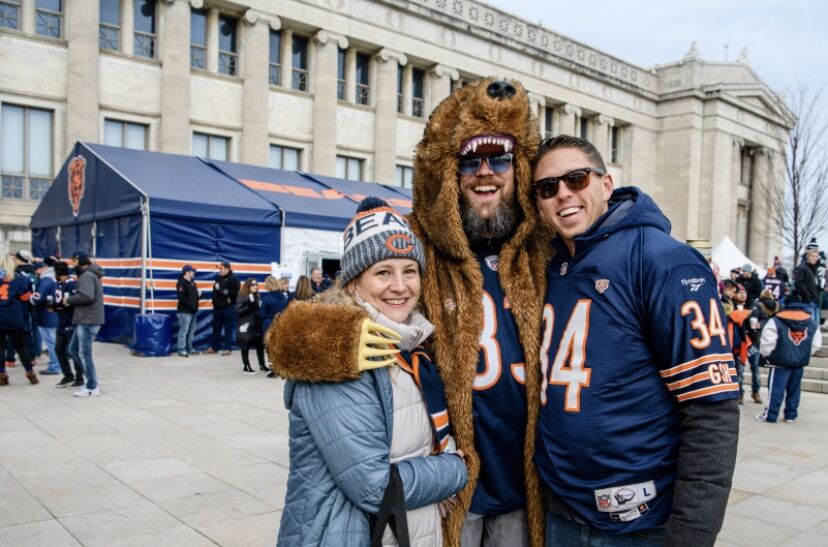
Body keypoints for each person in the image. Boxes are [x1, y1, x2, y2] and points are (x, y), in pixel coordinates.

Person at [268, 79, 551, 547]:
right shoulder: (418, 244)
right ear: (447, 170)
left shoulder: (539, 251)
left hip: (524, 489)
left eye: (499, 159)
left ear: (518, 168)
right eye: (469, 160)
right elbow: (309, 320)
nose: (485, 173)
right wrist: (333, 336)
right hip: (448, 491)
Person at [531, 135, 739, 546]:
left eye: (576, 179)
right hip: (563, 512)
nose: (563, 194)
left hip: (636, 525)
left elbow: (711, 410)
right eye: (547, 187)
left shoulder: (664, 260)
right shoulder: (551, 265)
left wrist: (693, 534)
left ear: (606, 184)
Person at [272, 197, 468, 546]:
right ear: (352, 284)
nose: (400, 285)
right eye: (382, 272)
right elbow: (373, 487)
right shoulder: (339, 354)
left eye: (409, 271)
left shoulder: (408, 341)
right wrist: (456, 468)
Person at [757, 294, 822, 423]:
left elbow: (767, 342)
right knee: (794, 390)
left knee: (776, 390)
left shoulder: (776, 320)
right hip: (799, 363)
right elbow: (816, 344)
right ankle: (790, 415)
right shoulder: (812, 323)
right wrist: (803, 354)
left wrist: (766, 354)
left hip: (779, 361)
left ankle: (771, 415)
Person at [65, 250, 105, 397]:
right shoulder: (90, 274)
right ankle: (93, 379)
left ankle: (92, 387)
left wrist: (68, 300)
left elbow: (87, 296)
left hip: (88, 320)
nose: (72, 263)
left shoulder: (86, 275)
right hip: (86, 319)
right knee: (73, 350)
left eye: (73, 261)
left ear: (79, 261)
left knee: (84, 353)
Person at [0, 254, 38, 386]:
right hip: (15, 317)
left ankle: (2, 374)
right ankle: (30, 373)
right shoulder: (19, 279)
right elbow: (25, 298)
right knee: (21, 347)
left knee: (0, 347)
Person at [53, 261, 83, 388]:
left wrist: (64, 303)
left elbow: (72, 301)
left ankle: (80, 377)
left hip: (70, 321)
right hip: (61, 321)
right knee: (59, 349)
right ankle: (67, 375)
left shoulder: (71, 283)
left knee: (73, 351)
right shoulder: (59, 283)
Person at [31, 260, 60, 375]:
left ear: (39, 269)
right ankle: (57, 365)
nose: (36, 274)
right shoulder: (55, 277)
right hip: (55, 313)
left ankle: (54, 366)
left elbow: (37, 298)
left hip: (46, 315)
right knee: (54, 341)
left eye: (36, 271)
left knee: (51, 342)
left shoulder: (46, 280)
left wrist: (30, 300)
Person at [207, 260, 240, 356]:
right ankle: (214, 348)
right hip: (217, 308)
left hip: (228, 308)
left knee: (228, 329)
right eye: (219, 268)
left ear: (227, 269)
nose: (219, 270)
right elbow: (215, 291)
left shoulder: (234, 279)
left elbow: (235, 293)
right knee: (216, 328)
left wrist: (223, 291)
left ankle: (227, 348)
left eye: (221, 268)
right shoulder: (219, 278)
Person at [236, 278, 268, 374]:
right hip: (246, 324)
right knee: (245, 345)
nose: (255, 286)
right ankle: (246, 366)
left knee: (260, 345)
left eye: (256, 284)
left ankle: (262, 364)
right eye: (252, 284)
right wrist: (248, 307)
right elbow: (238, 311)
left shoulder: (257, 296)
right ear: (248, 286)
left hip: (256, 323)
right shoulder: (242, 297)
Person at [176, 265, 200, 357]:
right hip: (184, 312)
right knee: (183, 331)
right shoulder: (181, 282)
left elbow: (194, 296)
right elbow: (181, 297)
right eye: (192, 271)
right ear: (187, 272)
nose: (194, 273)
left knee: (191, 331)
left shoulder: (192, 283)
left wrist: (199, 297)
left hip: (193, 311)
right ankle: (181, 349)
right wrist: (191, 305)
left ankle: (189, 348)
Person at [793, 249, 820, 321]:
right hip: (807, 302)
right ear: (808, 256)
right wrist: (807, 295)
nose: (814, 258)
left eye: (816, 257)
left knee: (816, 326)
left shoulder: (814, 270)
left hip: (815, 301)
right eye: (812, 256)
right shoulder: (802, 268)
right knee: (810, 326)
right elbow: (798, 283)